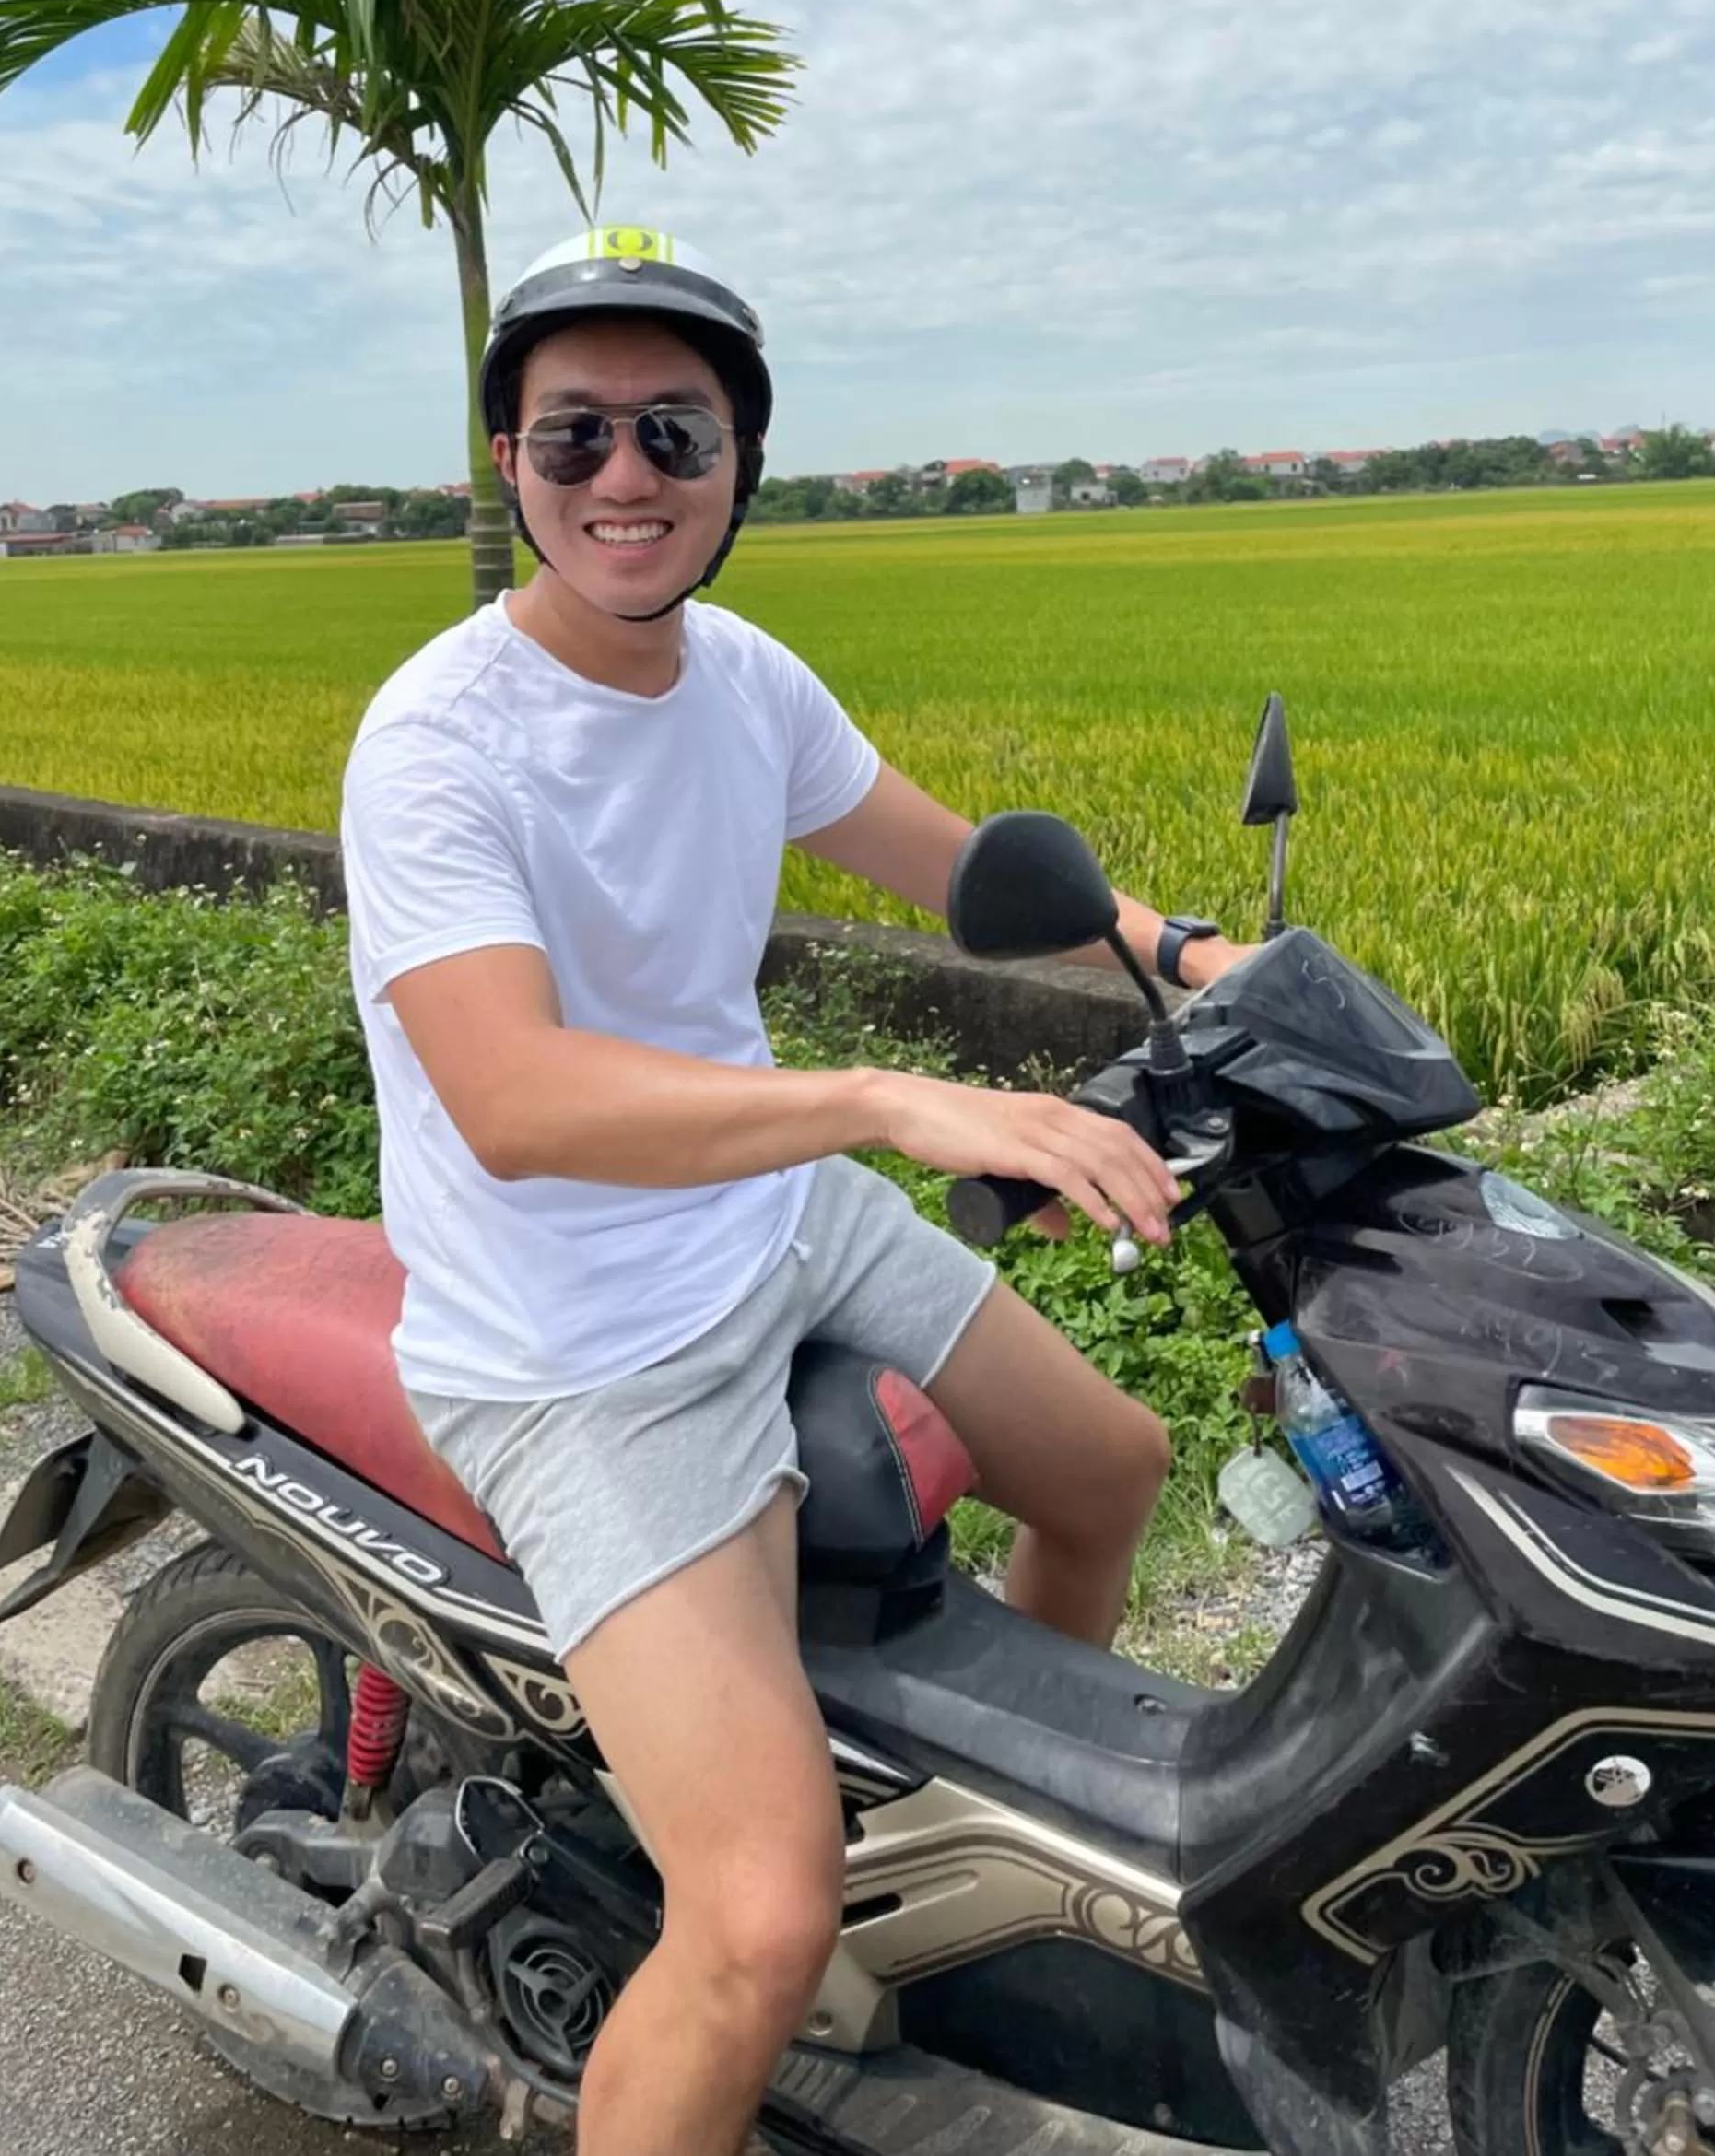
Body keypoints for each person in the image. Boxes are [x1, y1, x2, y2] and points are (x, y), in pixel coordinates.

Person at [339, 226, 1249, 2156]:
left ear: (739, 463)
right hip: (579, 1335)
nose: (626, 476)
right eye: (574, 435)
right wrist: (886, 1104)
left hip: (768, 1218)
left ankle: (977, 1897)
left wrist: (1185, 957)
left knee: (1109, 1468)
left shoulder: (743, 679)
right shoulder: (436, 743)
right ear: (507, 460)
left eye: (675, 432)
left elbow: (952, 869)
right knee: (757, 1921)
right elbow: (511, 1098)